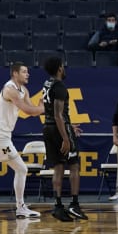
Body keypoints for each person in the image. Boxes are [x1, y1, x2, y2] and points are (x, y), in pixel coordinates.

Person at [0, 62, 44, 218]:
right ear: (15, 73)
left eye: (27, 71)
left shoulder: (23, 90)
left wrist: (42, 105)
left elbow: (34, 110)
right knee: (21, 169)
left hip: (3, 136)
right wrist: (42, 108)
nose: (28, 74)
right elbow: (29, 111)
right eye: (24, 71)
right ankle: (20, 207)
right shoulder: (9, 89)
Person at [41, 57, 88, 222]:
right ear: (60, 69)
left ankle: (58, 205)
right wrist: (66, 137)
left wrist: (68, 125)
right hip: (58, 127)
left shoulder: (47, 84)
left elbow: (51, 113)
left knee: (58, 167)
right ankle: (74, 204)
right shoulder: (59, 86)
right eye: (63, 66)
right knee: (74, 165)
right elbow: (58, 115)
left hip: (47, 127)